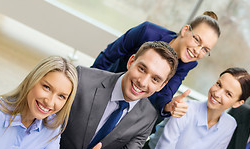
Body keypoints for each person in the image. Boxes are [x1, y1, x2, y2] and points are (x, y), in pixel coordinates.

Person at [60, 41, 178, 149]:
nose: (143, 82)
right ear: (131, 62)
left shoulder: (148, 117)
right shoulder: (82, 78)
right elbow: (41, 125)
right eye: (142, 69)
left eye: (155, 79)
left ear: (162, 86)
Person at [92, 11, 220, 118]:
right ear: (185, 30)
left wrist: (168, 106)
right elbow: (109, 55)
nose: (197, 51)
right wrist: (89, 85)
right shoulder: (147, 31)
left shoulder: (187, 64)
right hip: (108, 85)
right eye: (197, 40)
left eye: (205, 50)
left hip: (131, 104)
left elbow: (164, 94)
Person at [149, 68, 250, 149]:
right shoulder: (185, 110)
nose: (217, 93)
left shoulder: (230, 125)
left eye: (228, 94)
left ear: (237, 103)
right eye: (218, 84)